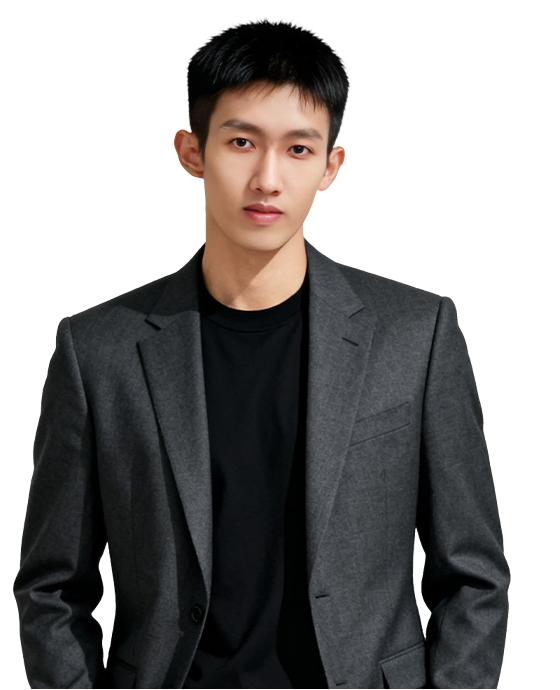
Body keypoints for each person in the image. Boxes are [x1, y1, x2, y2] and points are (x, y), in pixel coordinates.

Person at [13, 23, 509, 689]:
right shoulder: (100, 352)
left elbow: (474, 576)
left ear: (331, 166)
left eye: (298, 148)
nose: (267, 178)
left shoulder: (412, 338)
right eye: (241, 142)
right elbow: (52, 588)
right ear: (192, 151)